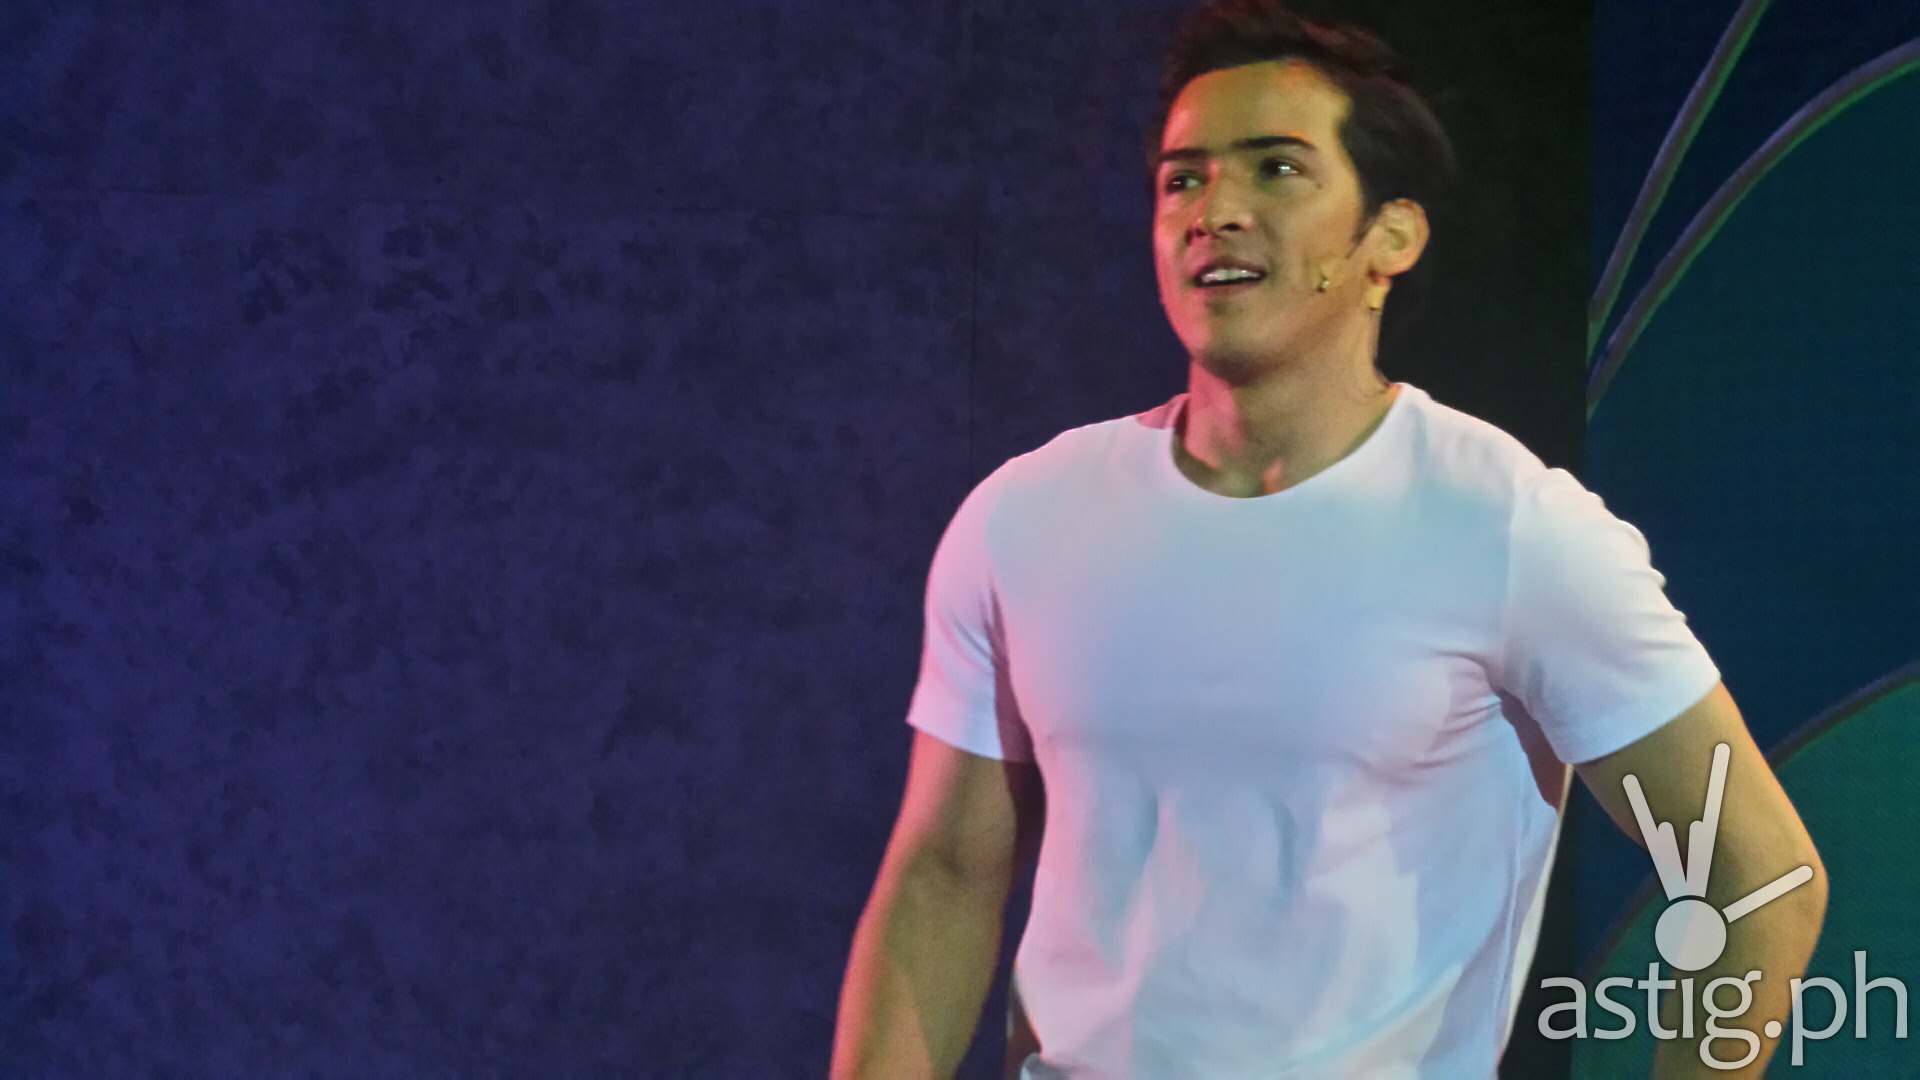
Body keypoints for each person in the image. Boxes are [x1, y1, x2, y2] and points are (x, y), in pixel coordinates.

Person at [831, 2, 1826, 1076]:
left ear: (1390, 237)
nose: (1215, 212)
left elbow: (1756, 876)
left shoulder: (1508, 525)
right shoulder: (1026, 516)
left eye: (1277, 170)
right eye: (1182, 179)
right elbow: (944, 877)